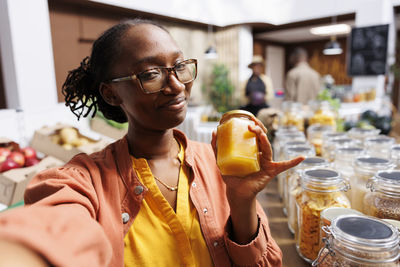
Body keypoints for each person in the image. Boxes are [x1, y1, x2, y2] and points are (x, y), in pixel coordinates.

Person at [0, 19, 303, 267]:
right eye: (151, 74)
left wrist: (241, 200)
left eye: (180, 66)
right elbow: (54, 231)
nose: (176, 85)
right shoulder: (85, 182)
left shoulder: (217, 162)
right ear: (111, 94)